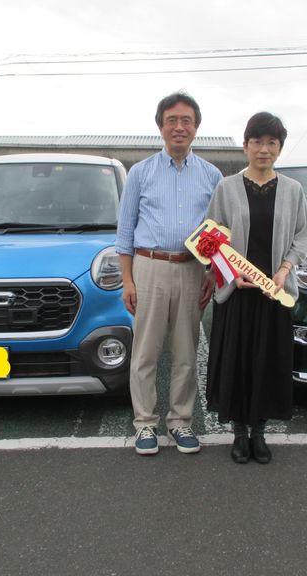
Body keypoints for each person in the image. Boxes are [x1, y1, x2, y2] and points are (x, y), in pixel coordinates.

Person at [116, 92, 223, 456]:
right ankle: (145, 423)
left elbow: (215, 230)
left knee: (186, 351)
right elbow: (125, 232)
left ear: (196, 127)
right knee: (146, 351)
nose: (179, 127)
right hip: (149, 267)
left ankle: (180, 421)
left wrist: (211, 273)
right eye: (172, 120)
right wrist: (128, 280)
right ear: (160, 126)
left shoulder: (211, 175)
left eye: (186, 121)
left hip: (192, 270)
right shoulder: (140, 172)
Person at [205, 112, 307, 464]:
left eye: (272, 143)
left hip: (273, 292)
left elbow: (301, 236)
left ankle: (260, 432)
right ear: (246, 145)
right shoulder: (227, 187)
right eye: (257, 142)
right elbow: (210, 239)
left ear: (280, 147)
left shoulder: (293, 190)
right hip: (237, 292)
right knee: (236, 361)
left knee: (269, 362)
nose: (264, 149)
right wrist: (231, 274)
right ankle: (239, 432)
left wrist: (284, 270)